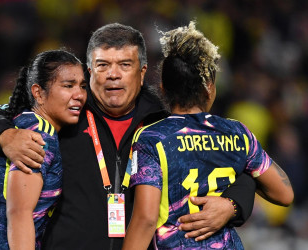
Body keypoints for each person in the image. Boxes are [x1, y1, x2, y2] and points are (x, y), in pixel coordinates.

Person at [0, 23, 257, 249]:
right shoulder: (66, 109)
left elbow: (240, 164)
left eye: (125, 65)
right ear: (90, 70)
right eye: (103, 65)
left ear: (142, 73)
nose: (113, 75)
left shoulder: (163, 120)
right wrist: (5, 135)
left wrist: (232, 206)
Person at [122, 21, 294, 250]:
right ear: (210, 87)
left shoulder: (151, 138)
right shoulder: (238, 134)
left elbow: (146, 218)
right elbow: (284, 194)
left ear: (163, 88)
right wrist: (231, 204)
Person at [0, 49, 87, 249]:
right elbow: (19, 213)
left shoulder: (17, 118)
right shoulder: (40, 134)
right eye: (68, 85)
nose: (79, 95)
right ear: (38, 92)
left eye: (82, 86)